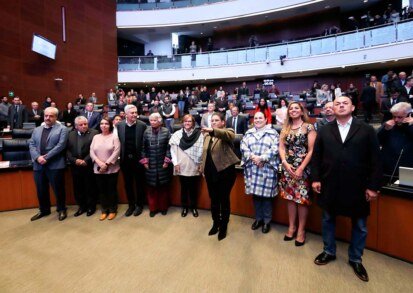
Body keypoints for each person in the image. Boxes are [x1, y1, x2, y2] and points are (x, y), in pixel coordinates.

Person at [311, 96, 382, 282]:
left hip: (357, 186)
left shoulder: (366, 129)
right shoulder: (325, 130)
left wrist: (373, 186)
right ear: (332, 108)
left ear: (352, 107)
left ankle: (356, 259)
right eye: (337, 104)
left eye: (345, 103)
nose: (341, 106)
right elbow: (316, 157)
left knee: (359, 225)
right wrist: (316, 179)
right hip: (330, 184)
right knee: (327, 219)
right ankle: (329, 251)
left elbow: (376, 160)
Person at [278, 102, 316, 246]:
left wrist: (301, 168)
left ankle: (301, 230)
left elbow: (312, 150)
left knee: (301, 199)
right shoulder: (285, 128)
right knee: (290, 198)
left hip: (303, 169)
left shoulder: (309, 127)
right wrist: (284, 162)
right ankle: (291, 226)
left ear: (301, 111)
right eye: (291, 109)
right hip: (288, 168)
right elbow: (281, 147)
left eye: (296, 108)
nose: (293, 110)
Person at [200, 112, 240, 241]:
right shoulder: (207, 135)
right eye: (212, 121)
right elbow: (204, 153)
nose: (213, 122)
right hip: (210, 172)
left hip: (225, 173)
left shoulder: (228, 131)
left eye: (216, 120)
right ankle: (215, 223)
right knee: (214, 200)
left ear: (223, 122)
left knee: (224, 200)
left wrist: (213, 130)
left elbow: (229, 136)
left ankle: (224, 226)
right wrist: (202, 168)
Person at [241, 111, 280, 233]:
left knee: (267, 197)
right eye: (256, 118)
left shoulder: (273, 133)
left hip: (266, 167)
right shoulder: (248, 133)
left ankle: (267, 221)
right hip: (252, 167)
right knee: (256, 196)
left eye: (260, 118)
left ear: (266, 120)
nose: (257, 120)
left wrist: (262, 158)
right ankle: (258, 219)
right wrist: (253, 157)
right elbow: (243, 147)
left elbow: (275, 148)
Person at [29, 107, 68, 221]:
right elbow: (31, 144)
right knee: (41, 189)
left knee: (58, 189)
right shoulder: (37, 130)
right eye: (46, 115)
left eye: (51, 116)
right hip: (38, 165)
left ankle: (61, 209)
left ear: (56, 117)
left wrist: (46, 157)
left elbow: (61, 146)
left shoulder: (62, 129)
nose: (48, 118)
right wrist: (37, 157)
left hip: (55, 164)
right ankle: (44, 210)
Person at [169, 114, 204, 217]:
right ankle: (185, 207)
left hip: (194, 165)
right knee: (183, 188)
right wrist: (175, 163)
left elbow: (201, 150)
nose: (187, 123)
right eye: (185, 121)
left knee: (193, 188)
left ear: (193, 123)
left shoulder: (199, 135)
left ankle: (193, 207)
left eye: (189, 121)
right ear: (182, 123)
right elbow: (173, 151)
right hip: (181, 165)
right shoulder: (177, 134)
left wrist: (200, 163)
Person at [117, 105, 147, 217]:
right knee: (128, 184)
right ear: (125, 114)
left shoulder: (142, 125)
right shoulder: (119, 125)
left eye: (135, 112)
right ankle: (131, 205)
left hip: (138, 160)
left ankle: (139, 205)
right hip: (125, 160)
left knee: (140, 184)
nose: (135, 114)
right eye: (132, 113)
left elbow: (144, 143)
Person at [140, 113, 172, 217]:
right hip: (150, 165)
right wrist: (144, 161)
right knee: (151, 188)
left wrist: (167, 161)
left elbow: (169, 148)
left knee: (163, 188)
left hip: (163, 165)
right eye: (151, 120)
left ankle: (163, 208)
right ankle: (153, 208)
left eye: (154, 120)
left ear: (160, 121)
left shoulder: (166, 131)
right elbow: (143, 148)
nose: (152, 122)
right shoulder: (146, 131)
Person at [66, 116, 98, 217]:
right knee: (78, 188)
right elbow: (67, 150)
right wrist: (75, 160)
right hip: (75, 166)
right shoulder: (70, 134)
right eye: (81, 125)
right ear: (76, 126)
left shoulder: (94, 133)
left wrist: (85, 160)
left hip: (88, 165)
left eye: (85, 124)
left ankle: (91, 207)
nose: (84, 126)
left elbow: (95, 149)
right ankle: (82, 207)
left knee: (90, 187)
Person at [90, 117, 121, 221]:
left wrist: (106, 164)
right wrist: (99, 163)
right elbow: (91, 152)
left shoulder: (114, 137)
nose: (104, 125)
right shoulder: (95, 137)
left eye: (106, 124)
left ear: (110, 125)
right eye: (102, 124)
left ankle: (112, 210)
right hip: (98, 168)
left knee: (111, 190)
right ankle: (104, 210)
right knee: (102, 190)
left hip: (111, 168)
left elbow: (116, 151)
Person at [378, 102, 413, 177]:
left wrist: (411, 126)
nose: (396, 120)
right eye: (394, 117)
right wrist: (385, 129)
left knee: (405, 187)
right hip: (387, 167)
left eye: (400, 117)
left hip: (407, 168)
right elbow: (376, 141)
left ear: (409, 114)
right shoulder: (388, 124)